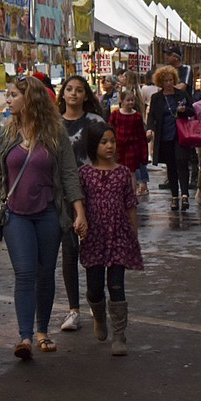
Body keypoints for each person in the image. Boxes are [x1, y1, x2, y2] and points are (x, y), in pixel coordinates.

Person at [0, 75, 87, 359]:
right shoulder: (7, 134)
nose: (7, 101)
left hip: (48, 212)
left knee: (45, 273)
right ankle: (25, 337)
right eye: (7, 95)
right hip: (16, 214)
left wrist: (79, 211)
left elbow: (69, 174)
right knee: (25, 271)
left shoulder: (54, 133)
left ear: (29, 99)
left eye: (12, 95)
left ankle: (43, 331)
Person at [78, 121, 143, 357]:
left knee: (116, 285)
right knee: (95, 288)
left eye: (112, 141)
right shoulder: (84, 174)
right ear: (93, 145)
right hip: (93, 237)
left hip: (118, 236)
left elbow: (131, 206)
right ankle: (98, 317)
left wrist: (133, 236)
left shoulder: (124, 173)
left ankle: (119, 334)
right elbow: (80, 205)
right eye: (104, 142)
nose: (109, 146)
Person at [56, 75, 105, 331]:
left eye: (79, 90)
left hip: (93, 194)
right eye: (69, 89)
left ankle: (95, 302)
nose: (73, 94)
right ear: (62, 94)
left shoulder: (95, 123)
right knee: (69, 251)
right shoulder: (54, 124)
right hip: (62, 197)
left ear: (86, 95)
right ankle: (73, 310)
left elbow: (106, 155)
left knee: (92, 251)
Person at [147, 65, 196, 211]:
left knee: (182, 163)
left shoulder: (181, 94)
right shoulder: (157, 98)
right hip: (165, 136)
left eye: (170, 80)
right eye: (165, 81)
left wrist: (184, 110)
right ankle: (174, 196)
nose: (168, 83)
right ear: (160, 82)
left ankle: (185, 195)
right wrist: (150, 129)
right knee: (171, 166)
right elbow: (152, 116)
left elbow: (192, 110)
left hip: (180, 135)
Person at [109, 89, 149, 196]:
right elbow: (110, 129)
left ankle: (131, 194)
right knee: (117, 170)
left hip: (132, 146)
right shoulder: (115, 114)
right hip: (119, 146)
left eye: (132, 100)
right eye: (128, 100)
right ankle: (118, 192)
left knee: (131, 172)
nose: (130, 102)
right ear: (122, 101)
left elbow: (141, 134)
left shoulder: (137, 116)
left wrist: (143, 151)